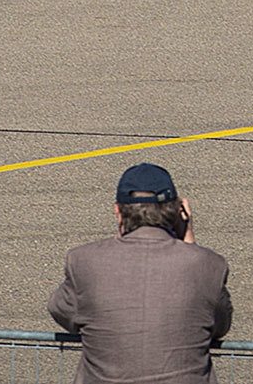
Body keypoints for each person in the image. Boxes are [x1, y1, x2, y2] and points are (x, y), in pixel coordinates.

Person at [49, 163, 232, 384]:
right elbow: (219, 325)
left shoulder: (84, 261)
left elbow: (61, 310)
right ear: (177, 212)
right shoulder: (209, 264)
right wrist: (190, 243)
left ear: (118, 211)